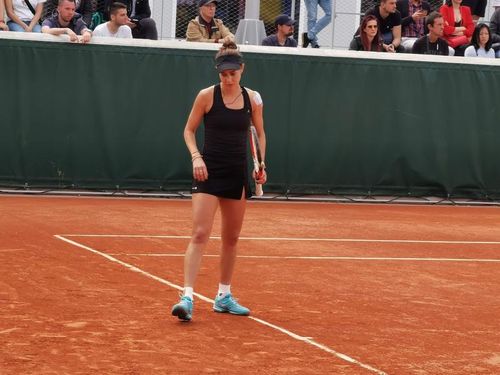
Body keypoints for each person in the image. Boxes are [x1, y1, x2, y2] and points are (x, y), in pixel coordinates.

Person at [171, 41, 266, 322]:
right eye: (223, 74)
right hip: (208, 172)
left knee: (231, 239)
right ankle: (187, 296)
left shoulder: (253, 99)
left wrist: (260, 164)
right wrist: (196, 157)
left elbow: (260, 135)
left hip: (237, 173)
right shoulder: (206, 96)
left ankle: (223, 296)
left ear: (242, 70)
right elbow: (188, 131)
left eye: (232, 74)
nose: (227, 79)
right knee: (200, 233)